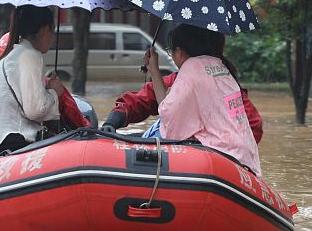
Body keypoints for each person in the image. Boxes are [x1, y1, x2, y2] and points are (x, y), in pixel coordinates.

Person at [99, 30, 263, 143]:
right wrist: (112, 122)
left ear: (181, 52)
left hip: (211, 158)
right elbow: (146, 100)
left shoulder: (225, 87)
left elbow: (251, 126)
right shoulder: (182, 81)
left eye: (172, 50)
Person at [144, 23, 262, 175]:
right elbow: (167, 108)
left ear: (178, 51)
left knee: (157, 129)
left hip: (221, 158)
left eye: (170, 51)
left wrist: (153, 67)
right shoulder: (219, 66)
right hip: (245, 159)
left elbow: (167, 117)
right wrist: (154, 69)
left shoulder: (192, 69)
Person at [0, 6, 76, 158]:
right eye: (52, 31)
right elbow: (36, 109)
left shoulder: (11, 55)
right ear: (45, 29)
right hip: (9, 142)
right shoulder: (29, 55)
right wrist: (55, 92)